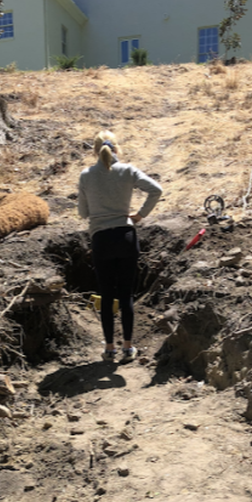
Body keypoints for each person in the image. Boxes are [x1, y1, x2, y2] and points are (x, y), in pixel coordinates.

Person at [78, 130, 163, 362]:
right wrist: (139, 215)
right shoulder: (128, 170)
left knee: (106, 296)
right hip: (126, 236)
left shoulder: (86, 175)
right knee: (126, 296)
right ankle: (128, 347)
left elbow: (83, 212)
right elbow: (157, 190)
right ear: (117, 149)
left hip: (101, 239)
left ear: (95, 151)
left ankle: (109, 349)